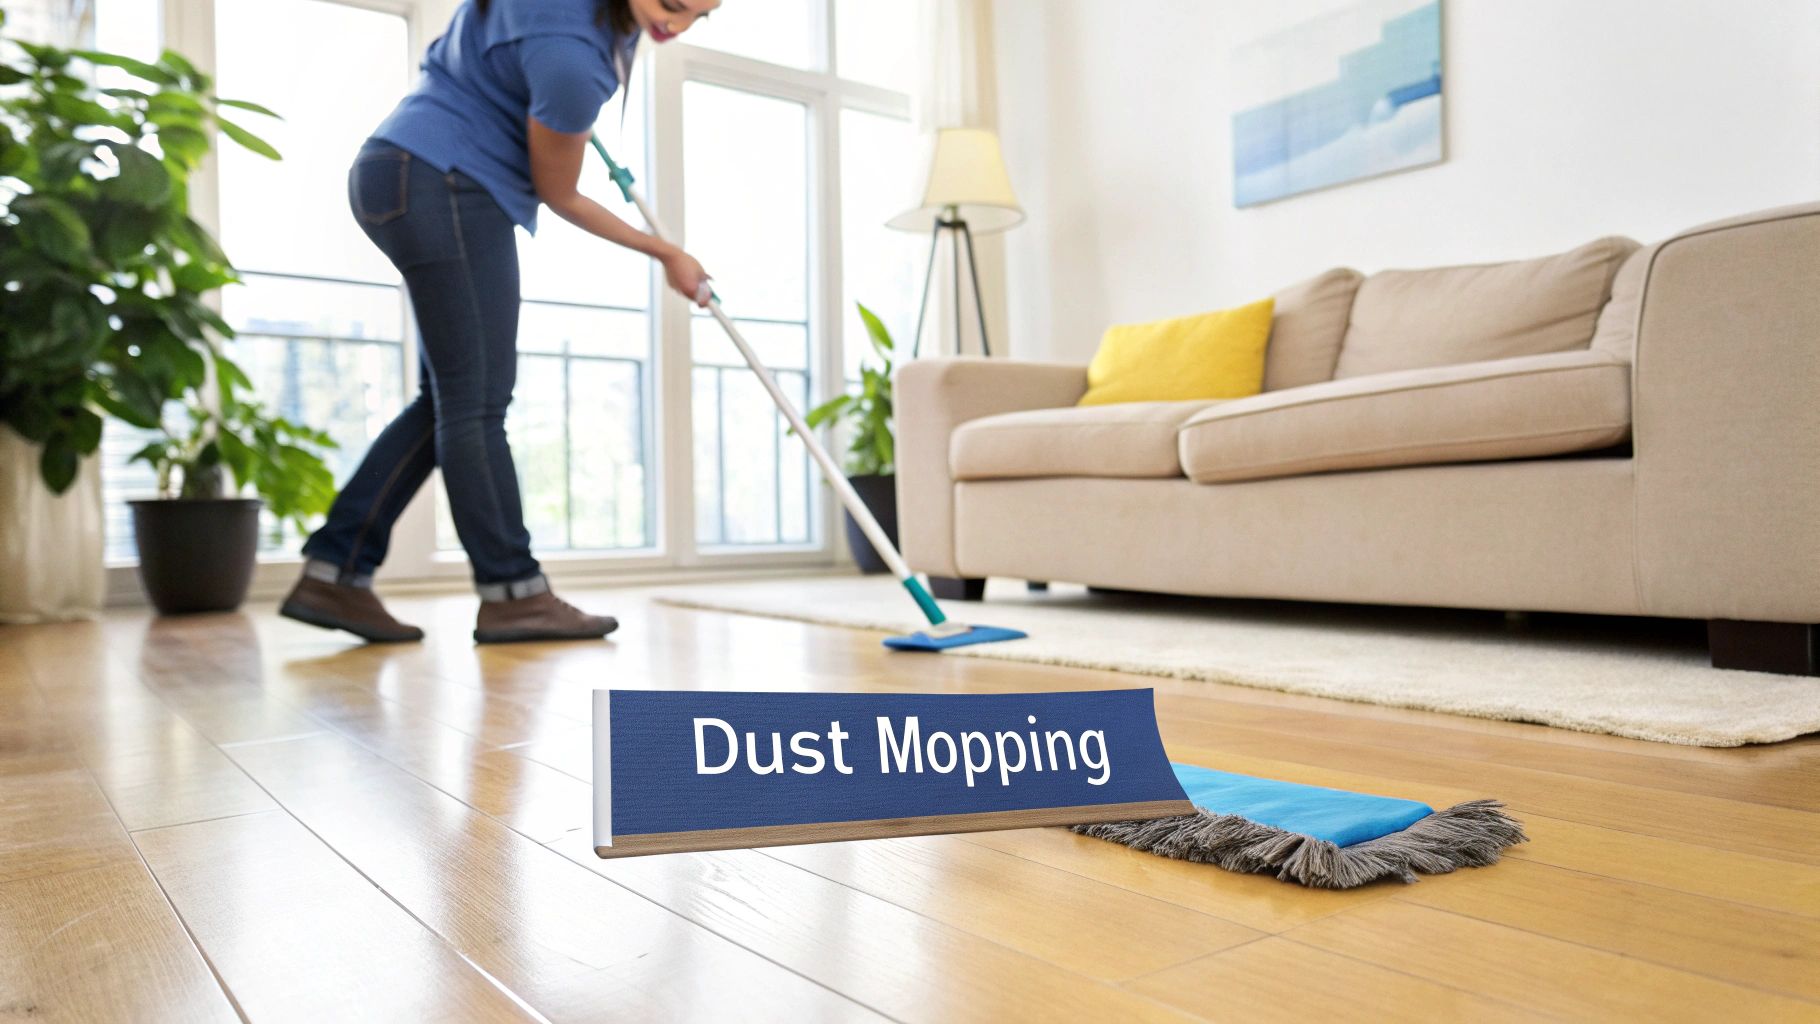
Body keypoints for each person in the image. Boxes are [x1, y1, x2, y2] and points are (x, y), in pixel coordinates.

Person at [280, 0, 720, 644]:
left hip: (397, 170)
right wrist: (666, 252)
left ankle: (335, 570)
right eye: (673, 5)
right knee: (478, 404)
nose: (676, 27)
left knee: (450, 401)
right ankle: (514, 593)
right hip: (447, 184)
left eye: (700, 16)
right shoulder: (573, 60)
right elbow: (561, 191)